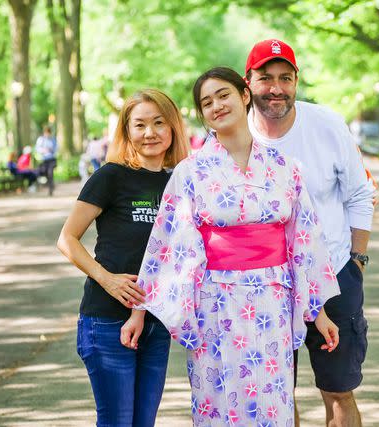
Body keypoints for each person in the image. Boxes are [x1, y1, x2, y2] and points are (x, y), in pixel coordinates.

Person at [121, 67, 341, 426]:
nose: (216, 106)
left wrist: (319, 312)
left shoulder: (286, 168)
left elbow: (304, 240)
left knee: (273, 398)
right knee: (218, 401)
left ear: (243, 95)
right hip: (216, 303)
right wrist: (139, 311)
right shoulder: (191, 172)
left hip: (273, 299)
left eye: (223, 95)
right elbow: (168, 246)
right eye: (206, 103)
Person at [245, 39, 375, 427]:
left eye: (286, 78)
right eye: (265, 78)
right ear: (247, 82)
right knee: (276, 392)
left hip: (333, 277)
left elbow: (359, 195)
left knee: (338, 391)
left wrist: (357, 264)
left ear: (297, 80)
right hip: (266, 283)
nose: (276, 88)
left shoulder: (328, 125)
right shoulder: (236, 136)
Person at [56, 89, 189, 426]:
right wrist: (108, 279)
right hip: (106, 321)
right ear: (127, 132)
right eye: (140, 124)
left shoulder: (179, 182)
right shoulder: (110, 177)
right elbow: (67, 239)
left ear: (173, 127)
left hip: (154, 322)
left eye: (159, 123)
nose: (150, 133)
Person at [35, 125, 58, 196]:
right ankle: (50, 184)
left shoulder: (53, 139)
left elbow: (56, 149)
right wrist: (43, 150)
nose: (47, 134)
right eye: (46, 132)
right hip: (44, 160)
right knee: (44, 172)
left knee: (50, 173)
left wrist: (51, 150)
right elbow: (37, 148)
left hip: (51, 159)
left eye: (48, 133)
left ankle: (51, 189)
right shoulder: (41, 140)